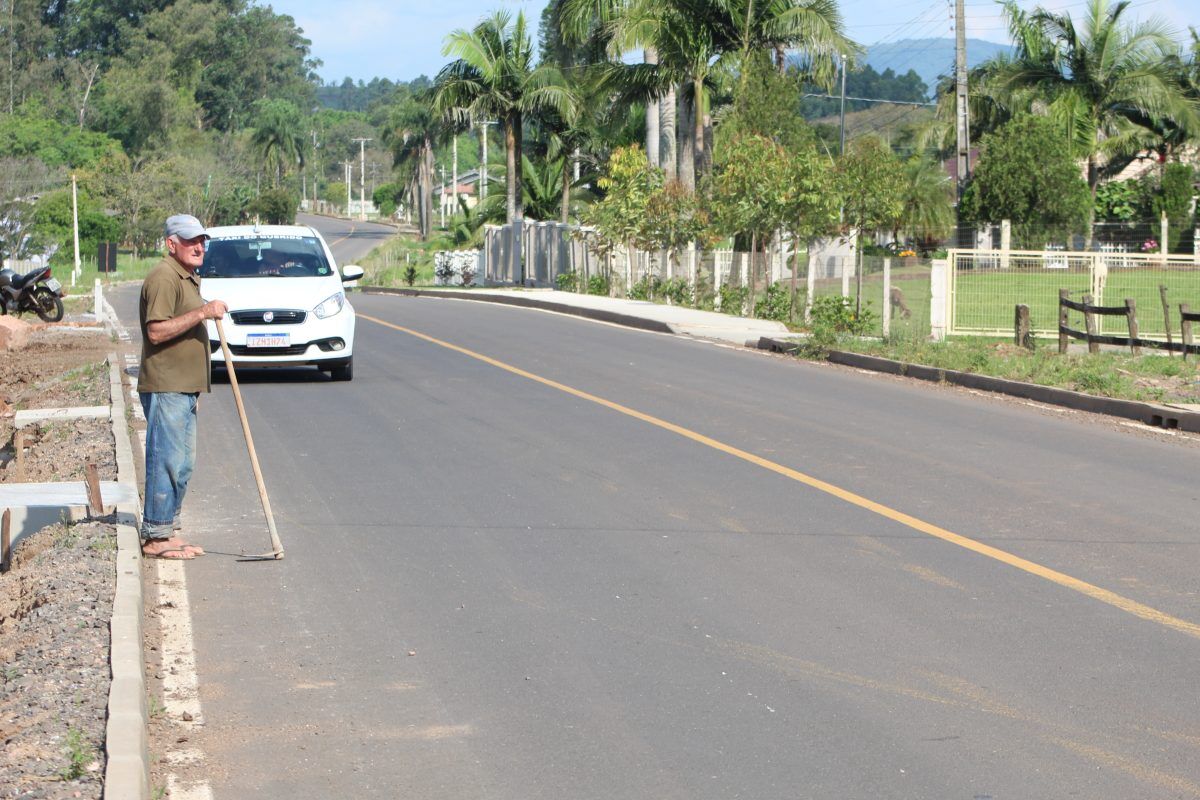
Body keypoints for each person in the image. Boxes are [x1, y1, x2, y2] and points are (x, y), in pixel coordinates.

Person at [138, 214, 228, 560]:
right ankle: (156, 537)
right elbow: (157, 331)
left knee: (184, 463)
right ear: (171, 244)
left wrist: (193, 388)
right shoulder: (164, 277)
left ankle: (168, 529)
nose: (199, 246)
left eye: (202, 240)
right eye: (191, 241)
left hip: (183, 388)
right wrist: (203, 313)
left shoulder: (187, 277)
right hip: (166, 385)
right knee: (167, 461)